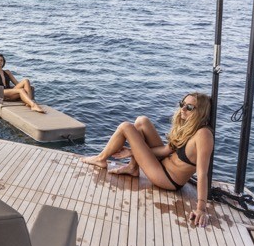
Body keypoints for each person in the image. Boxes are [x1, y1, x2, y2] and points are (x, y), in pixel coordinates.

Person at [80, 93, 214, 227]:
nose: (182, 109)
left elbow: (202, 173)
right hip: (163, 162)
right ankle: (133, 167)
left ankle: (100, 159)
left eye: (189, 107)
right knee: (141, 121)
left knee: (126, 127)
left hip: (167, 178)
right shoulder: (189, 127)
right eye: (182, 104)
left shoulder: (204, 135)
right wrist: (134, 152)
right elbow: (166, 150)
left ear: (200, 111)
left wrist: (201, 209)